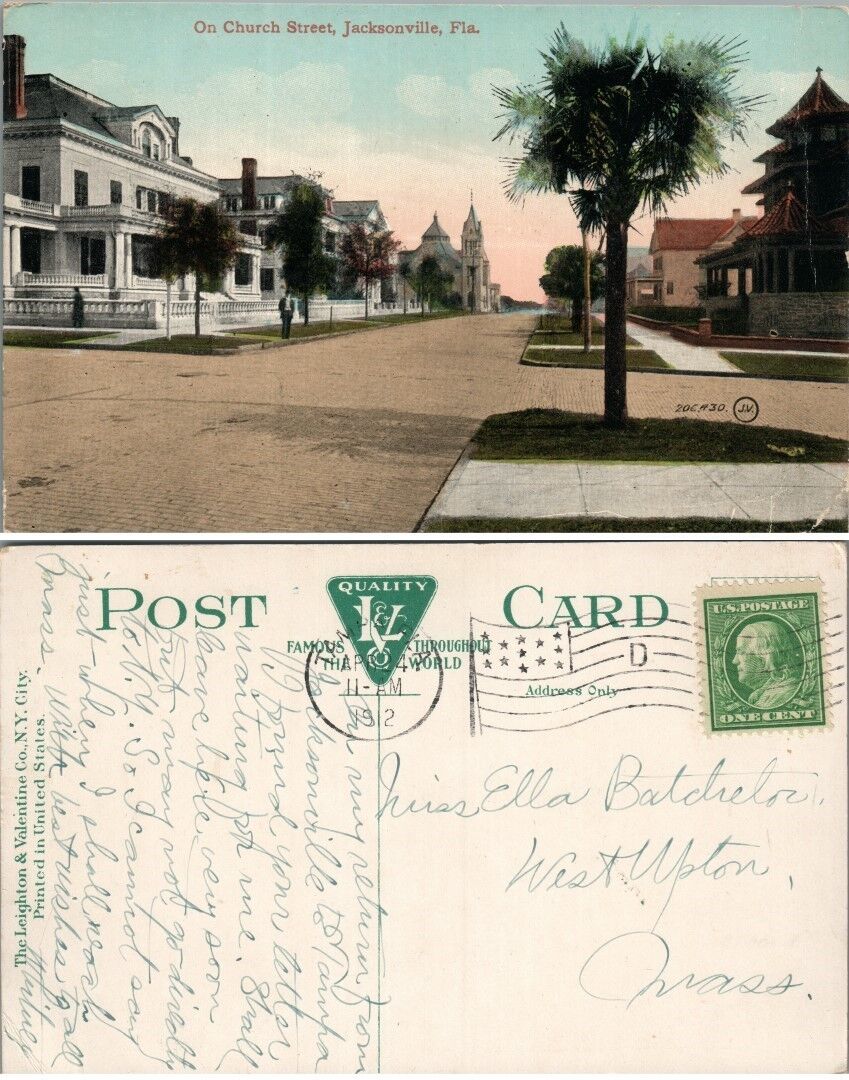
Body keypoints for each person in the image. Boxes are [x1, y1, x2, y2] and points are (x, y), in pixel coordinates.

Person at [731, 618, 803, 709]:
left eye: (741, 652)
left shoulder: (783, 694)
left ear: (765, 655)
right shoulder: (765, 694)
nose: (734, 661)